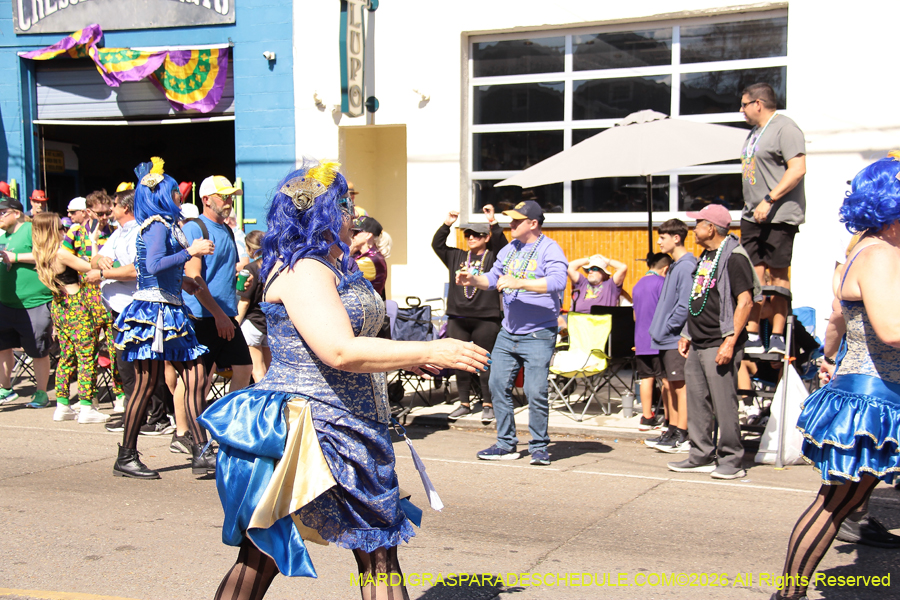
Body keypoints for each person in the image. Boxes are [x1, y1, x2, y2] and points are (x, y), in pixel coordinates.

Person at [198, 159, 489, 600]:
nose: (354, 214)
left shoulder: (337, 265)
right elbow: (338, 350)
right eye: (345, 205)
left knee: (376, 552)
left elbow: (355, 337)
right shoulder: (304, 270)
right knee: (265, 556)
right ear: (321, 213)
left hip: (353, 424)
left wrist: (401, 359)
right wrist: (429, 348)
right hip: (308, 430)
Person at [773, 156, 900, 600]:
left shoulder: (869, 249)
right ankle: (788, 596)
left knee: (837, 502)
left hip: (871, 393)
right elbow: (891, 331)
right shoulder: (880, 254)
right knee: (836, 503)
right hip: (873, 397)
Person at [112, 157, 215, 479]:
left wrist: (182, 281)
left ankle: (201, 449)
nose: (179, 197)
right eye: (173, 193)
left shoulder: (164, 224)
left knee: (196, 375)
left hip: (169, 308)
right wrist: (192, 251)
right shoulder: (157, 225)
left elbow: (157, 269)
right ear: (159, 197)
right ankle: (126, 456)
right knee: (145, 383)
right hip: (154, 311)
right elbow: (153, 264)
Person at [457, 200, 568, 466]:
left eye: (518, 220)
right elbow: (492, 278)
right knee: (496, 385)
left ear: (533, 223)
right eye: (512, 219)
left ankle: (540, 446)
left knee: (535, 390)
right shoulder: (509, 249)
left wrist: (520, 283)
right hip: (509, 332)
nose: (512, 223)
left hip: (539, 333)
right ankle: (506, 443)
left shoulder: (549, 249)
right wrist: (473, 280)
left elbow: (558, 281)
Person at [669, 204, 758, 480]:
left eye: (698, 223)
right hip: (698, 340)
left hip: (720, 341)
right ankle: (701, 454)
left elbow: (745, 301)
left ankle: (731, 459)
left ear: (711, 228)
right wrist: (686, 332)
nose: (694, 229)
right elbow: (699, 299)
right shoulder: (706, 256)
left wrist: (730, 342)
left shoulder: (735, 257)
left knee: (724, 402)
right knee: (697, 402)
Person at [739, 82, 807, 356]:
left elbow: (798, 168)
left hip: (778, 215)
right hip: (752, 215)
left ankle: (777, 335)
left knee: (777, 274)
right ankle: (753, 333)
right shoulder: (754, 133)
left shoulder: (785, 128)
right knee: (752, 274)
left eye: (744, 104)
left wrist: (770, 198)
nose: (740, 110)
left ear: (758, 103)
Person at [30, 212, 109, 423]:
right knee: (86, 357)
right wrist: (93, 243)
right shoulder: (60, 254)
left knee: (66, 358)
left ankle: (62, 404)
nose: (63, 231)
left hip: (59, 306)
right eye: (59, 227)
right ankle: (86, 407)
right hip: (76, 306)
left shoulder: (40, 254)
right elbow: (91, 267)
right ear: (52, 230)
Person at [180, 175, 253, 399]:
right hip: (202, 316)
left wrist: (239, 278)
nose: (228, 202)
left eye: (231, 197)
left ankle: (226, 423)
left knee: (243, 368)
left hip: (224, 313)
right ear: (206, 199)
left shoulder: (228, 230)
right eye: (223, 197)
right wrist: (218, 314)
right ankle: (185, 431)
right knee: (197, 379)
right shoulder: (195, 228)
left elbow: (219, 270)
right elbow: (193, 276)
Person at [432, 206, 507, 423]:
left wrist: (493, 222)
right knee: (459, 360)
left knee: (484, 361)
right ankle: (464, 403)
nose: (471, 238)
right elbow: (437, 244)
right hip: (458, 316)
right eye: (468, 234)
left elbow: (502, 245)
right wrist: (448, 223)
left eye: (476, 235)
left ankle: (488, 403)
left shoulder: (494, 257)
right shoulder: (457, 256)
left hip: (486, 318)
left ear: (485, 238)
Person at [646, 219, 698, 450]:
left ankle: (682, 433)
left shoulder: (686, 266)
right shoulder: (677, 265)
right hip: (666, 337)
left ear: (676, 238)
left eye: (663, 237)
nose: (658, 242)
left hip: (675, 337)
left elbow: (685, 304)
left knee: (679, 385)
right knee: (671, 385)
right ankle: (673, 428)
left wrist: (668, 327)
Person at [0, 198, 53, 408]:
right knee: (3, 347)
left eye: (2, 212)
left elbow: (47, 254)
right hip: (5, 302)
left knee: (37, 350)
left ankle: (41, 393)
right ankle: (6, 389)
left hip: (34, 302)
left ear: (16, 213)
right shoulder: (2, 234)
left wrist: (15, 257)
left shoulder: (32, 228)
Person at [632, 252, 671, 431]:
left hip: (640, 339)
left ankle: (647, 417)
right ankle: (670, 418)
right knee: (667, 380)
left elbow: (634, 315)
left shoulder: (638, 285)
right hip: (659, 339)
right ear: (666, 269)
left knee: (646, 378)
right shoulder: (663, 283)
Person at [236, 230, 270, 383]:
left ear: (250, 249)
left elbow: (244, 301)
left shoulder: (249, 269)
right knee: (269, 370)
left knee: (257, 371)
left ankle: (262, 403)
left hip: (251, 324)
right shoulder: (274, 267)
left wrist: (236, 322)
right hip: (268, 323)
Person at [350, 215, 388, 299]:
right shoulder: (359, 254)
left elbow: (342, 272)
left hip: (369, 309)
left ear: (368, 235)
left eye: (356, 232)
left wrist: (347, 250)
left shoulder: (372, 259)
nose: (352, 235)